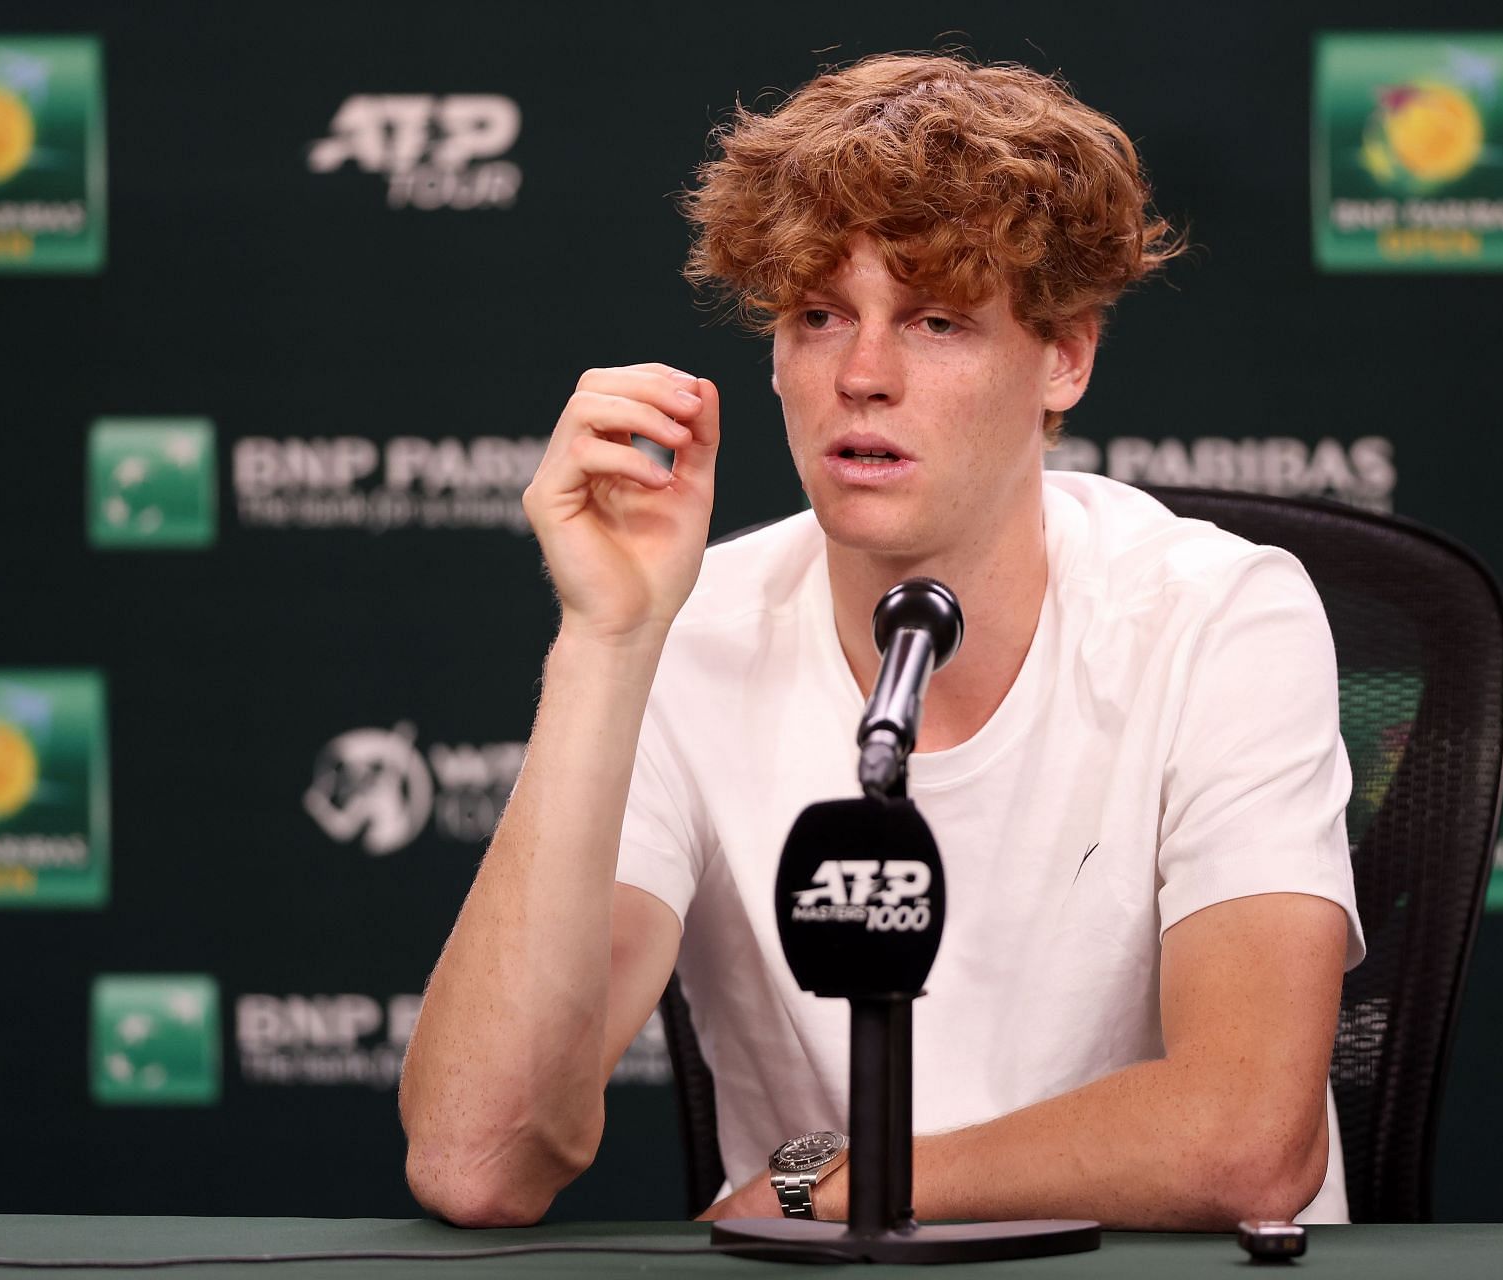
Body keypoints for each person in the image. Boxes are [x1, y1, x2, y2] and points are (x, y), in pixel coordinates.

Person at [398, 52, 1363, 1232]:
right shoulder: (688, 634)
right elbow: (478, 1157)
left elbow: (1246, 1139)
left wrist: (840, 1182)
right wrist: (608, 640)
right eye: (818, 317)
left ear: (1065, 356)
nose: (861, 374)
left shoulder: (1221, 615)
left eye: (936, 320)